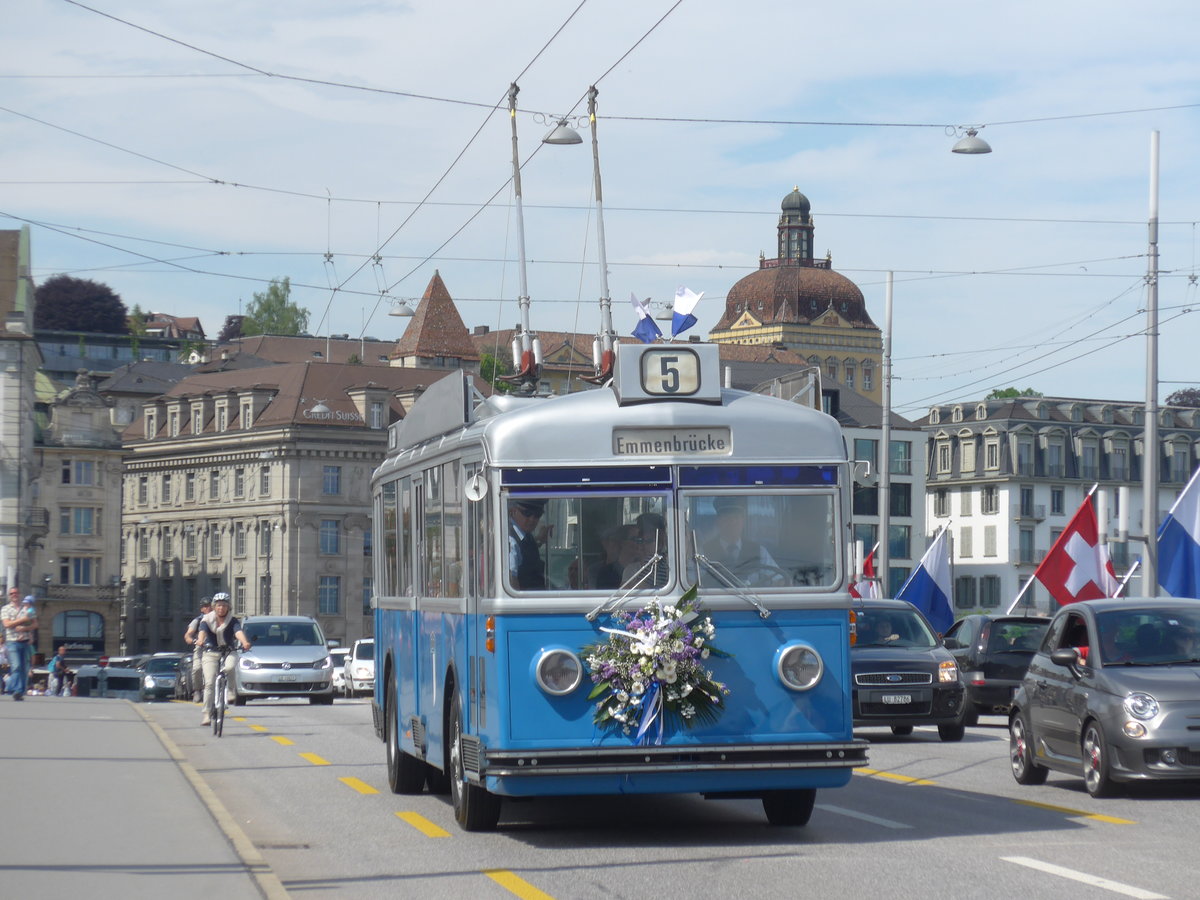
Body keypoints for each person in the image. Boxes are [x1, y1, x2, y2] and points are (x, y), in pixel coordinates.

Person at [197, 593, 251, 726]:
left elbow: (238, 632)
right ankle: (206, 714)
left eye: (224, 605)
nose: (221, 608)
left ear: (228, 607)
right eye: (219, 605)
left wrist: (245, 642)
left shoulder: (232, 621)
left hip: (228, 651)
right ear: (214, 607)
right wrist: (200, 640)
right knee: (209, 683)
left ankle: (231, 690)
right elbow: (202, 631)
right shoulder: (207, 619)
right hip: (210, 652)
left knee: (230, 667)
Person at [702, 498, 779, 579]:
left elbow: (779, 579)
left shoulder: (758, 550)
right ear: (718, 521)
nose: (733, 523)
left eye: (737, 518)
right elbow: (691, 582)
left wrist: (779, 582)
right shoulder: (703, 552)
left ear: (743, 522)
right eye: (727, 518)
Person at [1, 591, 39, 701]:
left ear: (19, 595)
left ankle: (20, 691)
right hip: (12, 641)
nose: (14, 595)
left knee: (23, 667)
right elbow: (7, 624)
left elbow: (35, 624)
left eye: (16, 593)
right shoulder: (6, 608)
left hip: (25, 641)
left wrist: (24, 628)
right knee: (16, 665)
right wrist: (23, 620)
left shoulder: (27, 608)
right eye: (12, 593)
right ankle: (16, 689)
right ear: (9, 596)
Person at [508, 499, 548, 590]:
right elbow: (511, 581)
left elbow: (524, 553)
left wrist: (539, 540)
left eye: (537, 515)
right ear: (514, 511)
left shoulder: (525, 535)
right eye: (527, 513)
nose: (532, 519)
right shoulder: (510, 540)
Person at [184, 598, 213, 700]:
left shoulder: (219, 619)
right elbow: (188, 635)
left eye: (210, 605)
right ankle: (197, 690)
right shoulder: (198, 621)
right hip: (201, 648)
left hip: (215, 648)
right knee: (197, 668)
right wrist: (193, 641)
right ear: (202, 609)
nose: (209, 608)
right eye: (206, 606)